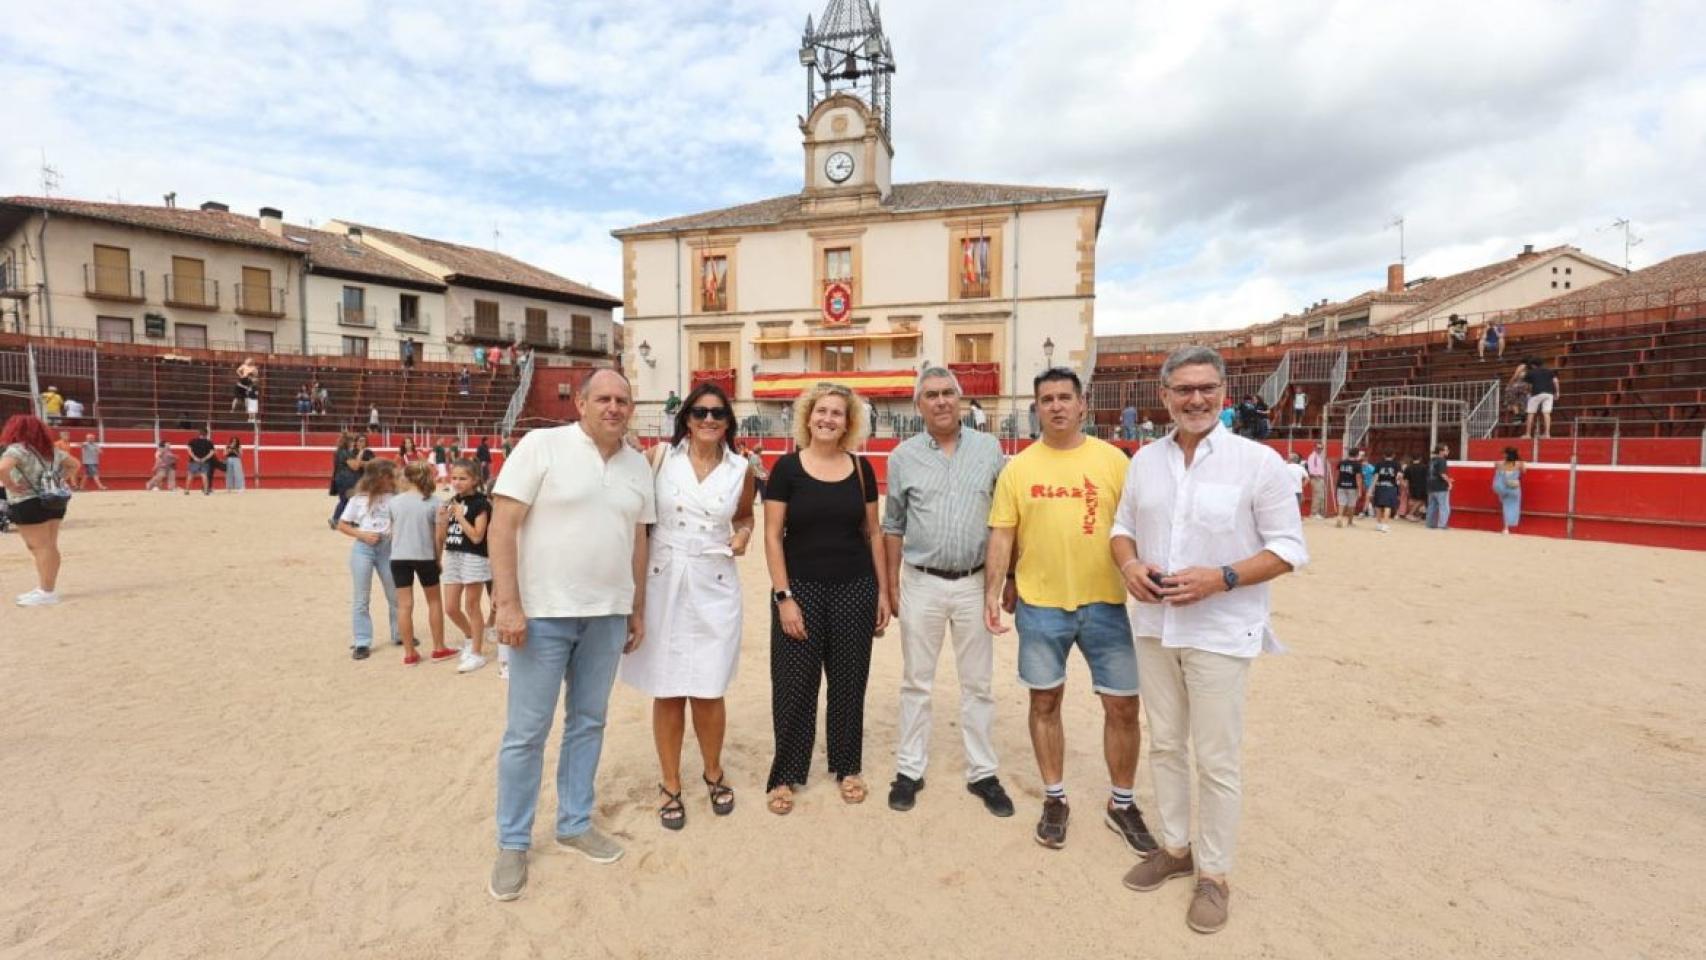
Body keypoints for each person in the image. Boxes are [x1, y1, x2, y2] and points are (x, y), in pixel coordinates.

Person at [1108, 345, 1308, 935]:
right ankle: (1175, 848)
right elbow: (1122, 528)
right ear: (1165, 396)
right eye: (1184, 389)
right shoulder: (1145, 460)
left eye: (1206, 388)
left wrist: (1220, 578)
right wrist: (1129, 565)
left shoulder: (1258, 462)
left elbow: (1288, 549)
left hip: (1220, 630)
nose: (1196, 399)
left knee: (1217, 759)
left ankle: (1215, 876)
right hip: (1155, 625)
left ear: (1224, 393)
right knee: (1166, 745)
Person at [488, 369, 655, 902]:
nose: (613, 407)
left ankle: (574, 822)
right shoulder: (542, 446)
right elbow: (502, 524)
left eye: (622, 400)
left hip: (607, 615)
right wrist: (507, 604)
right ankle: (513, 841)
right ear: (580, 402)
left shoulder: (637, 465)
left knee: (588, 722)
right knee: (526, 732)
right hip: (543, 614)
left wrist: (636, 606)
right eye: (603, 398)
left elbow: (638, 540)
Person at [984, 367, 1155, 854]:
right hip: (1041, 606)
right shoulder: (1018, 468)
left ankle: (1122, 802)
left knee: (1123, 705)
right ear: (1036, 408)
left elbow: (1141, 525)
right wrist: (994, 590)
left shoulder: (1114, 461)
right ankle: (1054, 797)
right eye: (1047, 399)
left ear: (1083, 404)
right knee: (1045, 703)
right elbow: (1002, 534)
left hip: (1106, 603)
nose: (1056, 406)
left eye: (1064, 397)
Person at [620, 383, 755, 830]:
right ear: (686, 419)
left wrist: (743, 534)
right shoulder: (660, 458)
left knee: (710, 687)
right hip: (663, 579)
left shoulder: (741, 468)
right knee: (668, 687)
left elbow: (745, 515)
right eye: (700, 412)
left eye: (718, 413)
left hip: (714, 581)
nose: (709, 420)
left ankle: (713, 772)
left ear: (728, 421)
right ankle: (670, 782)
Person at [881, 367, 1013, 818]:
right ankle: (909, 769)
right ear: (918, 405)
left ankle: (982, 772)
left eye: (948, 394)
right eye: (931, 395)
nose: (940, 402)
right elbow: (893, 524)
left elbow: (1003, 520)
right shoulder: (902, 457)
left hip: (975, 583)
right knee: (916, 681)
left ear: (960, 399)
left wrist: (1004, 580)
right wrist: (890, 585)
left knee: (978, 683)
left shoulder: (989, 449)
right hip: (921, 581)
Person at [761, 381, 889, 816]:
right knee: (794, 684)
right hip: (801, 590)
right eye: (821, 411)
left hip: (855, 587)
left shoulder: (861, 469)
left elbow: (873, 533)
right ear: (808, 417)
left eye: (837, 413)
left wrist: (882, 591)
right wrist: (784, 597)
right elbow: (772, 537)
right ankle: (785, 773)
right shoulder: (786, 469)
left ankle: (847, 767)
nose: (828, 419)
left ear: (848, 422)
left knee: (849, 682)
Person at [1, 414, 75, 606]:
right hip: (53, 499)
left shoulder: (17, 449)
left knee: (39, 546)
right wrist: (59, 479)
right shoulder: (51, 450)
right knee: (50, 545)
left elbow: (2, 469)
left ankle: (46, 591)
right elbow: (74, 465)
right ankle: (46, 587)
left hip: (27, 501)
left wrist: (11, 485)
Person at [390, 461, 456, 665]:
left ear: (407, 477)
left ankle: (409, 653)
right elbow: (439, 537)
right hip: (425, 556)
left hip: (399, 557)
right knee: (434, 602)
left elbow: (392, 531)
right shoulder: (435, 502)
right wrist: (438, 558)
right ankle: (438, 648)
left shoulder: (394, 502)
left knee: (404, 605)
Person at [337, 459, 400, 658]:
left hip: (387, 548)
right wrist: (362, 535)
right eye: (388, 477)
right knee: (361, 597)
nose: (393, 480)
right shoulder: (359, 499)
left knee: (395, 594)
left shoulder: (396, 498)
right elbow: (342, 524)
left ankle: (400, 633)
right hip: (363, 548)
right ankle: (362, 641)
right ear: (378, 478)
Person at [442, 459, 496, 674]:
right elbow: (446, 531)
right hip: (452, 554)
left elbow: (476, 536)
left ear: (474, 480)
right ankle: (470, 637)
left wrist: (460, 516)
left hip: (473, 556)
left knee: (472, 606)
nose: (457, 482)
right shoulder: (452, 500)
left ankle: (476, 653)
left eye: (462, 478)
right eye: (454, 478)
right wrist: (444, 519)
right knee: (450, 607)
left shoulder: (481, 503)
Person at [1513, 357, 1560, 439]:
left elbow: (1527, 385)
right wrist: (1557, 392)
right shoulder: (1549, 371)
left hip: (1536, 393)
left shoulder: (1530, 373)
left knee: (1531, 413)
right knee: (1546, 413)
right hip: (1549, 394)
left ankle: (1528, 434)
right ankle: (1547, 434)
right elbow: (1555, 381)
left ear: (1533, 365)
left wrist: (1527, 393)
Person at [1493, 447, 1524, 534]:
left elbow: (1496, 469)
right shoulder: (1519, 464)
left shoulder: (1499, 463)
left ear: (1506, 455)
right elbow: (1524, 471)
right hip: (1514, 487)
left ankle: (1506, 528)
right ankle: (1509, 526)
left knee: (1506, 507)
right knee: (1514, 507)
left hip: (1503, 488)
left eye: (1504, 453)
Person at [1333, 447, 1365, 528]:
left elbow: (1337, 473)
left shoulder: (1342, 462)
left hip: (1341, 485)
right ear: (1357, 455)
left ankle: (1339, 517)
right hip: (1352, 486)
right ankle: (1350, 522)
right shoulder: (1357, 464)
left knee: (1341, 503)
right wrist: (1360, 490)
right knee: (1351, 504)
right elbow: (1358, 477)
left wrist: (1336, 484)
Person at [1370, 451, 1401, 532]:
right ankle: (1385, 525)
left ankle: (1379, 524)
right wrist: (1398, 484)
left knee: (1378, 505)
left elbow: (1376, 476)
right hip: (1391, 486)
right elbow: (1399, 476)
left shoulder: (1379, 464)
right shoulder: (1396, 464)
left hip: (1380, 486)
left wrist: (1372, 488)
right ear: (1393, 455)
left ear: (1384, 455)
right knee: (1388, 506)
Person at [1425, 443, 1454, 529]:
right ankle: (1442, 525)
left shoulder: (1431, 460)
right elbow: (1442, 474)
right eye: (1446, 450)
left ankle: (1430, 524)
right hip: (1440, 486)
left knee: (1431, 506)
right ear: (1441, 451)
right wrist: (1449, 481)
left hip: (1431, 486)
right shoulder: (1442, 460)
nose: (1448, 451)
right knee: (1444, 507)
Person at [186, 429, 217, 496]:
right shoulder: (209, 442)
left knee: (190, 475)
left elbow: (189, 450)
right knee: (204, 475)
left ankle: (187, 491)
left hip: (194, 461)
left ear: (199, 433)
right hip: (204, 461)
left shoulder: (192, 441)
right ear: (206, 434)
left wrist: (194, 457)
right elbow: (212, 452)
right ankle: (206, 491)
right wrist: (204, 458)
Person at [1403, 454, 1431, 522]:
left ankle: (1417, 516)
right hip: (1422, 487)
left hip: (1412, 486)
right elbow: (1428, 477)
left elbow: (1406, 480)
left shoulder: (1408, 468)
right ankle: (1410, 514)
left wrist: (1406, 488)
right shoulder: (1424, 467)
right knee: (1420, 500)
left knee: (1416, 501)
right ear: (1420, 458)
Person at [1305, 444, 1327, 518]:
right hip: (1316, 478)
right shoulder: (1313, 456)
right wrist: (1316, 476)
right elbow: (1311, 469)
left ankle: (1319, 513)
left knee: (1321, 496)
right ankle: (1314, 513)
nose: (1320, 449)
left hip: (1320, 478)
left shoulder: (1318, 457)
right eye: (1318, 448)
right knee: (1317, 496)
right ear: (1314, 448)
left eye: (1321, 448)